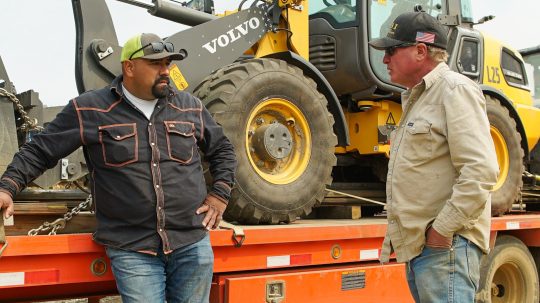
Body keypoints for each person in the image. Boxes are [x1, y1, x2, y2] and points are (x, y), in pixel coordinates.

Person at [0, 33, 237, 303]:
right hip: (133, 249)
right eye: (156, 63)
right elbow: (40, 150)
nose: (166, 70)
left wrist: (220, 195)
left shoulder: (189, 107)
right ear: (129, 67)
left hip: (191, 244)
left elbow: (223, 150)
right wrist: (7, 187)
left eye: (168, 63)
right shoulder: (90, 109)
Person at [369, 12, 498, 302]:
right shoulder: (419, 99)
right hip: (427, 249)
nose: (385, 59)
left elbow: (481, 171)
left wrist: (440, 232)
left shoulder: (455, 91)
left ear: (420, 51)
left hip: (445, 247)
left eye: (391, 50)